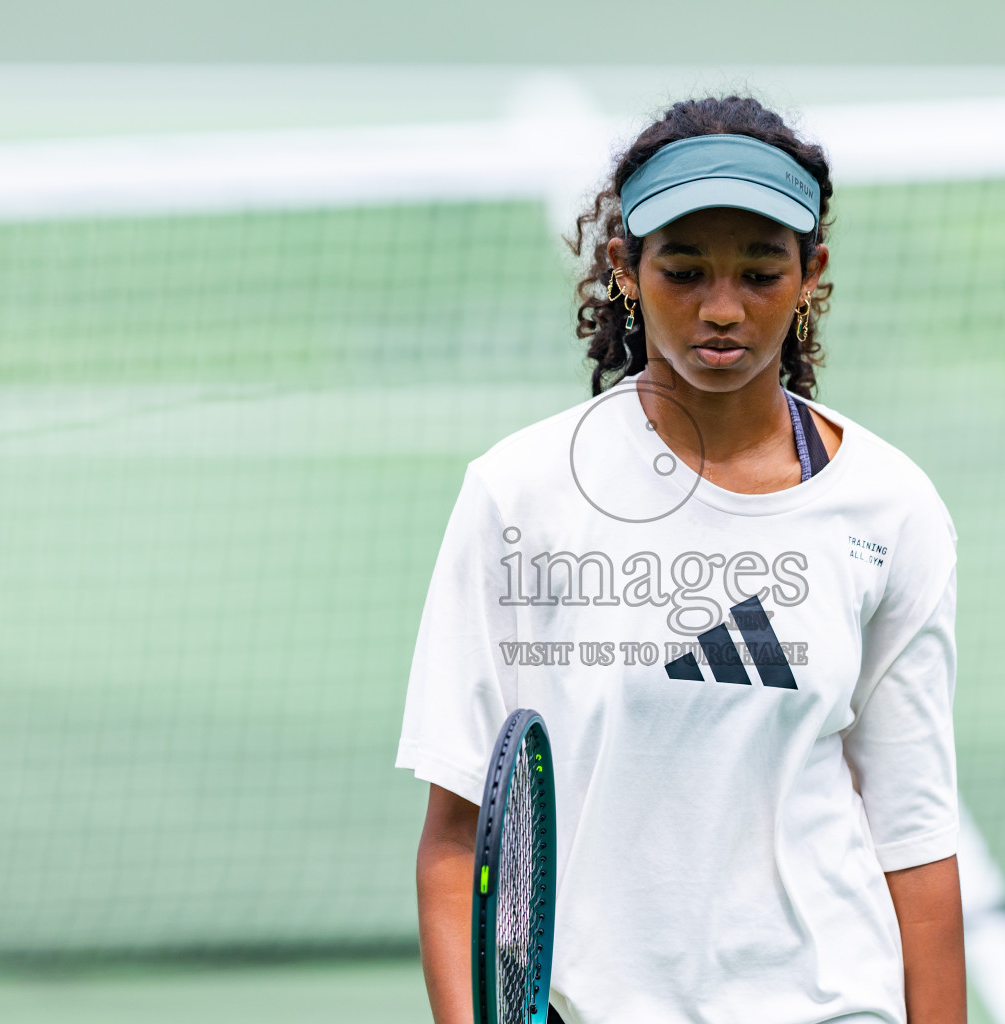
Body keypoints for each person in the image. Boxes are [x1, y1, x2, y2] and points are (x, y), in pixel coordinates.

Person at [397, 95, 965, 1024]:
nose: (723, 307)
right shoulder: (522, 494)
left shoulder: (891, 509)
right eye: (685, 270)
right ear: (625, 268)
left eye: (760, 271)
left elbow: (914, 833)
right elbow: (457, 842)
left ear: (811, 274)